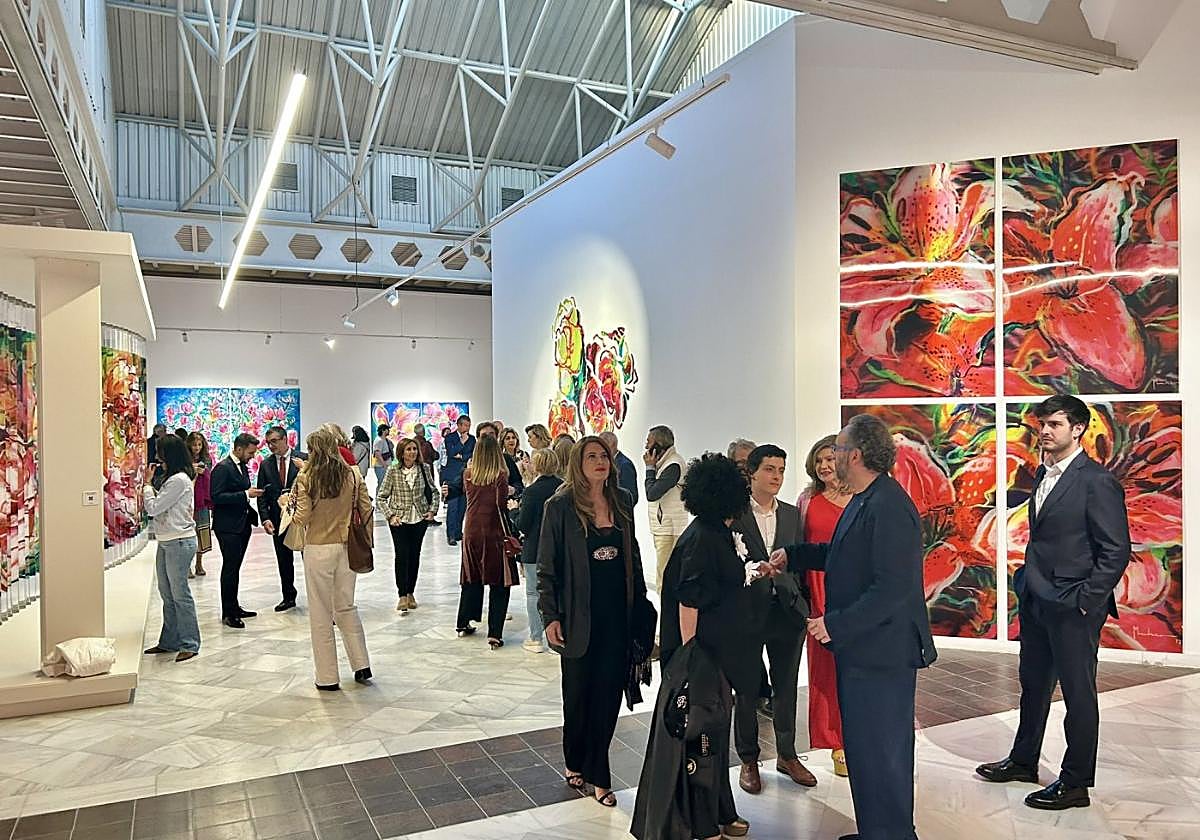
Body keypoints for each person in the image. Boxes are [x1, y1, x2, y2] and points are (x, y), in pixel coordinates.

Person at [770, 414, 937, 840]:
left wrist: (835, 624)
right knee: (865, 749)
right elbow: (843, 554)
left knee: (883, 750)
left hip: (882, 652)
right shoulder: (866, 498)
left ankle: (891, 833)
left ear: (856, 455)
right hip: (865, 649)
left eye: (839, 450)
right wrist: (794, 554)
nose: (833, 458)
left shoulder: (889, 506)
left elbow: (892, 589)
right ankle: (876, 830)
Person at [976, 395, 1131, 811]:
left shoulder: (1095, 481)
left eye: (1055, 424)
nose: (1045, 431)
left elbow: (1115, 550)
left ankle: (1076, 783)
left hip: (1074, 606)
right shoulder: (1042, 475)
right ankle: (1024, 760)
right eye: (1042, 423)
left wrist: (1086, 601)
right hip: (1037, 599)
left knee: (1079, 696)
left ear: (1078, 429)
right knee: (1033, 687)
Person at [632, 453, 757, 840]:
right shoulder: (703, 538)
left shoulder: (714, 531)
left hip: (716, 654)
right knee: (698, 743)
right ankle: (698, 824)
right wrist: (692, 664)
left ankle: (719, 811)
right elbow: (690, 602)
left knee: (712, 737)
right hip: (699, 658)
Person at [538, 436, 648, 809]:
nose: (600, 461)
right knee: (578, 697)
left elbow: (633, 560)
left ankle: (600, 774)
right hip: (577, 618)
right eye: (591, 456)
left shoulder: (622, 502)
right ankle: (575, 761)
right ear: (577, 463)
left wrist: (642, 607)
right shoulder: (560, 507)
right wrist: (550, 615)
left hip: (618, 617)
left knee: (608, 696)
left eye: (604, 455)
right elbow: (547, 568)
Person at [731, 444, 817, 793]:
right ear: (752, 472)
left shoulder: (793, 514)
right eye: (769, 469)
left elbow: (801, 562)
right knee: (747, 689)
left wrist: (802, 602)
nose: (777, 476)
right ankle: (748, 759)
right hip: (746, 613)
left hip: (786, 612)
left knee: (785, 688)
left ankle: (787, 754)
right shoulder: (734, 514)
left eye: (781, 469)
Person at [290, 428, 375, 691]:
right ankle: (361, 664)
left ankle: (327, 677)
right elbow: (367, 509)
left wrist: (286, 504)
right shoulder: (352, 473)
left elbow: (301, 517)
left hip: (318, 547)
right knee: (346, 606)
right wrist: (368, 542)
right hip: (347, 546)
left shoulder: (306, 478)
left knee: (321, 613)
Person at [797, 434, 854, 778]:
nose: (824, 466)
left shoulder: (861, 499)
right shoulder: (807, 500)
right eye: (819, 460)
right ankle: (836, 742)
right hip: (817, 596)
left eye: (830, 458)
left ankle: (859, 733)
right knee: (826, 673)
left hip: (850, 596)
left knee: (855, 669)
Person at [142, 434, 200, 663]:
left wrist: (147, 485)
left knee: (179, 594)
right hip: (168, 540)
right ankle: (170, 641)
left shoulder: (178, 480)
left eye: (160, 452)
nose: (157, 456)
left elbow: (154, 508)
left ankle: (190, 642)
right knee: (167, 594)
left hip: (178, 541)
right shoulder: (173, 479)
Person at [456, 434, 517, 646]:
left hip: (471, 529)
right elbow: (500, 505)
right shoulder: (500, 476)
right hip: (493, 531)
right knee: (499, 582)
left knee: (471, 575)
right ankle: (494, 633)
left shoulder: (468, 474)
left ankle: (463, 621)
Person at [377, 437, 439, 614]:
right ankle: (402, 594)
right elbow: (382, 497)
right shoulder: (393, 470)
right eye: (409, 449)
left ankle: (411, 591)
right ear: (401, 453)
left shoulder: (424, 468)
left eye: (414, 449)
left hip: (419, 518)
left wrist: (432, 511)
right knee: (401, 555)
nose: (412, 452)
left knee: (414, 556)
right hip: (399, 519)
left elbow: (434, 491)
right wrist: (390, 516)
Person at [210, 433, 264, 629]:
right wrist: (244, 494)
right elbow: (216, 497)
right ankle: (228, 612)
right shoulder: (222, 468)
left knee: (235, 567)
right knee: (230, 568)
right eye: (250, 452)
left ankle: (234, 606)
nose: (252, 456)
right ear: (239, 449)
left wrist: (249, 494)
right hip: (227, 526)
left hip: (242, 524)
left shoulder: (241, 467)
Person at [516, 447, 562, 653]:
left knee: (534, 593)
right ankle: (558, 637)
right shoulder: (563, 487)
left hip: (535, 548)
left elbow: (523, 524)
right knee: (559, 592)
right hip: (560, 548)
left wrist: (513, 511)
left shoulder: (531, 491)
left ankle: (536, 637)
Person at [257, 425, 306, 612]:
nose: (271, 446)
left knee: (307, 558)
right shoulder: (266, 464)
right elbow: (262, 494)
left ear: (286, 439)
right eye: (268, 443)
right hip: (278, 519)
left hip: (301, 519)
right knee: (283, 560)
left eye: (275, 441)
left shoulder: (303, 459)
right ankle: (288, 596)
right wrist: (265, 518)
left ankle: (317, 596)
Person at [644, 425, 687, 591]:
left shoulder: (673, 465)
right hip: (664, 527)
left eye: (649, 442)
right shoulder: (666, 463)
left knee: (665, 578)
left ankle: (666, 616)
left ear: (658, 445)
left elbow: (652, 493)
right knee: (664, 575)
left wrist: (649, 469)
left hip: (670, 528)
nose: (646, 446)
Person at [442, 415, 476, 545]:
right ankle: (450, 534)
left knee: (462, 506)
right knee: (453, 506)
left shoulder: (472, 439)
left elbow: (471, 454)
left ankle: (457, 532)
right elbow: (451, 453)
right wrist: (461, 442)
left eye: (469, 425)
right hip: (452, 476)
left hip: (466, 476)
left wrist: (460, 455)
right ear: (459, 425)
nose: (467, 428)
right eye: (465, 425)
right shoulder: (450, 438)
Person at [186, 431, 214, 578]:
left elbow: (210, 475)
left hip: (202, 500)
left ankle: (199, 563)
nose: (196, 447)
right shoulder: (184, 459)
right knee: (188, 532)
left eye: (199, 444)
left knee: (201, 531)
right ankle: (187, 566)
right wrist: (192, 469)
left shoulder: (207, 459)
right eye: (194, 444)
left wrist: (203, 471)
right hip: (188, 500)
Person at [599, 431, 639, 506]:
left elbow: (631, 496)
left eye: (602, 446)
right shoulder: (609, 462)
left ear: (612, 445)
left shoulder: (624, 465)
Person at [373, 423, 394, 488]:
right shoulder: (379, 441)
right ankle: (378, 498)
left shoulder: (385, 440)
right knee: (381, 484)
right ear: (383, 430)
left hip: (385, 466)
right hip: (381, 467)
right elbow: (377, 454)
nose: (389, 431)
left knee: (385, 485)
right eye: (387, 429)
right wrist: (384, 465)